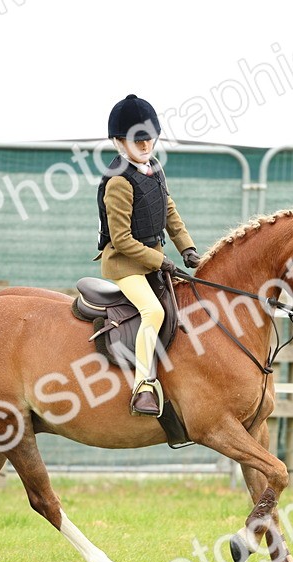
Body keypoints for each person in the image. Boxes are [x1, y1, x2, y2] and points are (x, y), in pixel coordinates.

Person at [95, 94, 201, 417]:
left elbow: (168, 210)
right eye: (136, 140)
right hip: (125, 266)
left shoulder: (154, 169)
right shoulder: (118, 183)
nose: (145, 145)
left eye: (148, 137)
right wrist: (160, 261)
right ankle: (143, 387)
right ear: (118, 142)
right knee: (153, 312)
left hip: (152, 258)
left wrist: (187, 248)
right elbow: (123, 240)